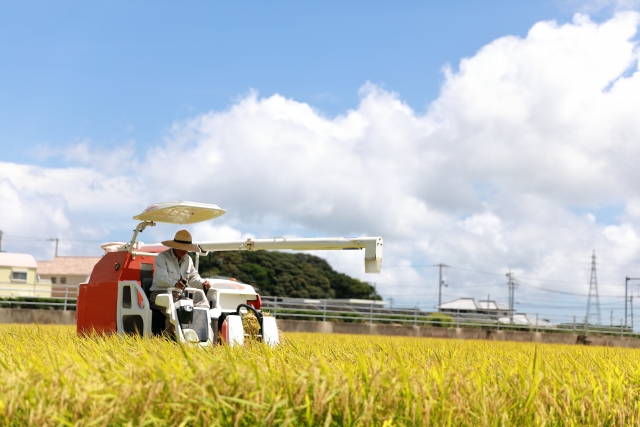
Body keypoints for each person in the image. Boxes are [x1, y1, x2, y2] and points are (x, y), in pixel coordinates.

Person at [149, 230, 211, 332]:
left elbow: (193, 277)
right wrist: (175, 283)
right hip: (160, 294)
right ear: (175, 246)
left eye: (187, 248)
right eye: (183, 248)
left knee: (199, 308)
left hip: (178, 296)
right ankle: (169, 341)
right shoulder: (162, 257)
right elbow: (161, 277)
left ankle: (194, 338)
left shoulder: (188, 259)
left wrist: (202, 283)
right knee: (175, 311)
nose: (185, 251)